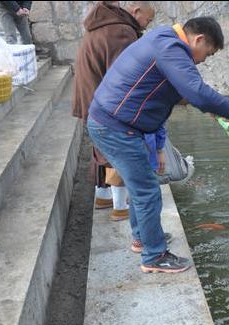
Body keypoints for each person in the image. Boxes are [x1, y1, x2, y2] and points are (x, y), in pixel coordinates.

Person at [87, 17, 229, 273]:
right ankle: (154, 256)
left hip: (113, 124)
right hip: (116, 128)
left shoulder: (161, 39)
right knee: (147, 191)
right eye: (205, 55)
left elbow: (173, 94)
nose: (200, 61)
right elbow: (196, 90)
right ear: (198, 40)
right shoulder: (171, 47)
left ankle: (142, 239)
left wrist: (210, 109)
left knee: (140, 186)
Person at [71, 1, 155, 221]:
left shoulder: (102, 24)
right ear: (136, 12)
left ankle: (103, 196)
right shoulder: (122, 31)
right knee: (120, 149)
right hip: (104, 103)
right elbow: (127, 76)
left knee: (101, 148)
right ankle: (120, 207)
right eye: (148, 19)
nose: (147, 25)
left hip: (89, 95)